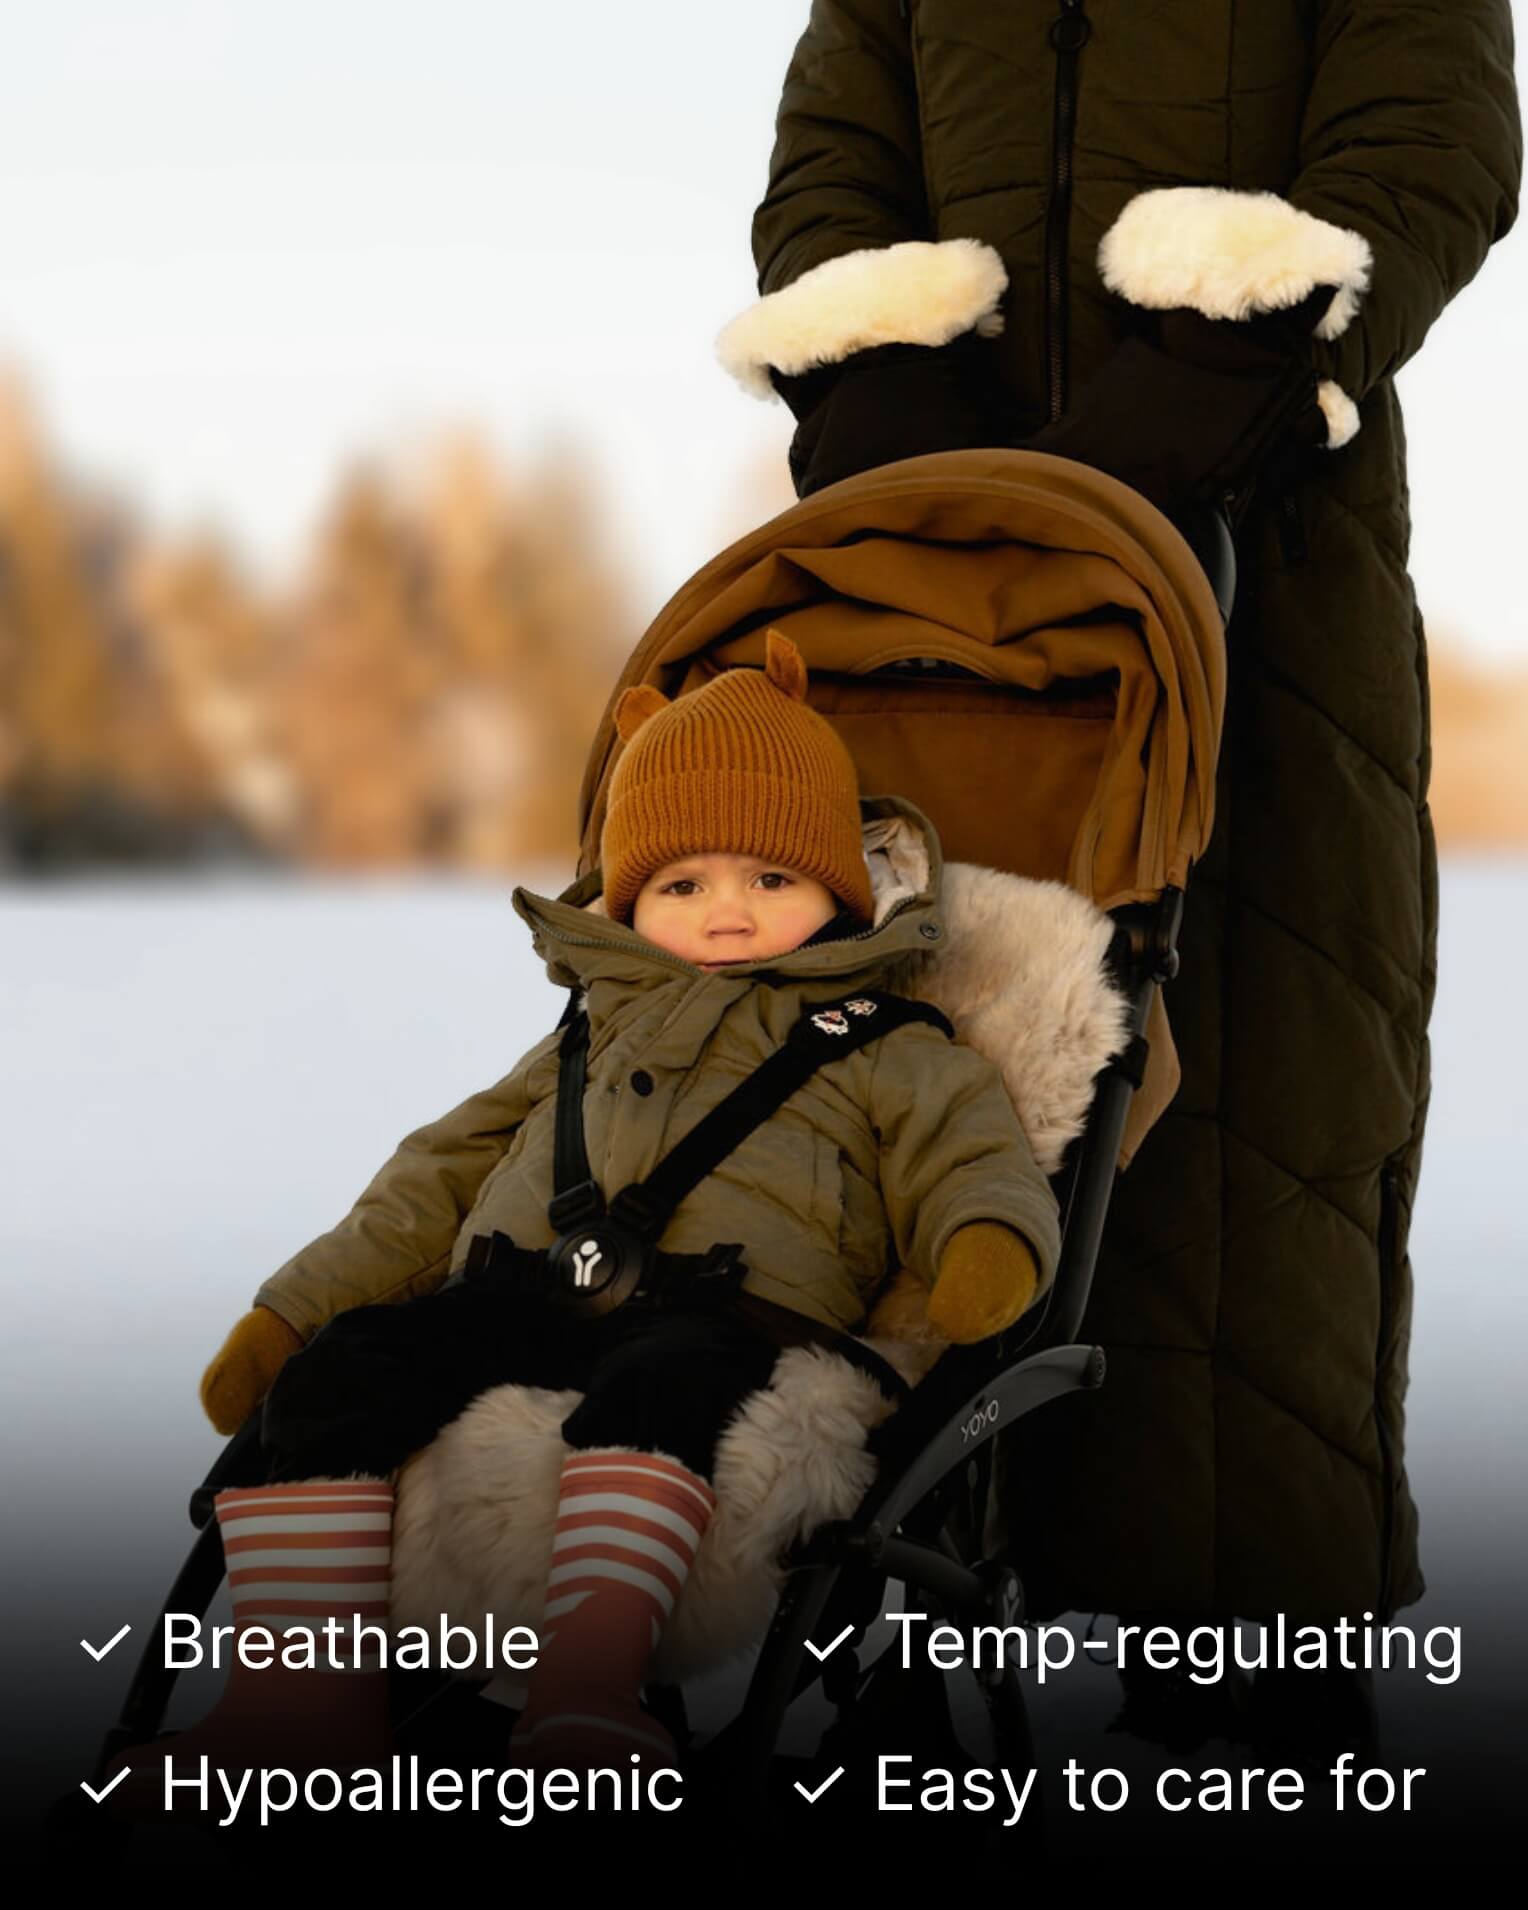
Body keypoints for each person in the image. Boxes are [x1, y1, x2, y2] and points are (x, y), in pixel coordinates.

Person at [714, 0, 1521, 1759]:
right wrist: (876, 375)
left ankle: (1247, 1722)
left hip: (1263, 581)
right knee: (922, 1090)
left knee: (1253, 1120)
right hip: (934, 605)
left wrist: (1221, 377)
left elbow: (1431, 137)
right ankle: (899, 1638)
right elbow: (831, 158)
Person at [119, 631, 1059, 1796]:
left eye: (771, 878)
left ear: (840, 888)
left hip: (732, 1312)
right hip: (519, 1292)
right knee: (344, 1372)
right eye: (682, 883)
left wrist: (985, 1238)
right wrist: (294, 1311)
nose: (727, 913)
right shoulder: (578, 1036)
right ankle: (303, 1698)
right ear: (626, 898)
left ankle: (587, 1686)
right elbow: (433, 1178)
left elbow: (968, 1148)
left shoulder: (884, 1044)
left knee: (657, 1387)